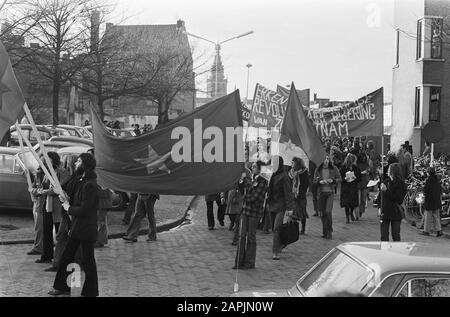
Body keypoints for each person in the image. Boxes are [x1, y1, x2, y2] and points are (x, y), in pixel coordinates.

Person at [49, 153, 100, 297]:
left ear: (85, 164)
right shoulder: (82, 180)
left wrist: (68, 208)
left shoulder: (90, 185)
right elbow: (76, 199)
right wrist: (65, 198)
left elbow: (85, 209)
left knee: (88, 262)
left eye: (79, 161)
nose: (76, 163)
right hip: (78, 228)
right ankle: (62, 287)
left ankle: (90, 292)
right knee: (67, 257)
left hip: (85, 229)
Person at [233, 161, 268, 269]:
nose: (252, 168)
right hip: (245, 211)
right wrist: (241, 180)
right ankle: (239, 262)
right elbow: (241, 188)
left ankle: (249, 262)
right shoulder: (251, 179)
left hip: (254, 212)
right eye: (252, 166)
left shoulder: (263, 181)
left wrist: (244, 198)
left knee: (251, 237)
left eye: (254, 167)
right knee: (241, 235)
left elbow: (255, 197)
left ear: (259, 169)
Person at [36, 152, 67, 264]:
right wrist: (39, 188)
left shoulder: (62, 171)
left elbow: (59, 187)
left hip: (57, 205)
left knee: (60, 232)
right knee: (46, 230)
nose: (45, 160)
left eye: (48, 158)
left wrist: (45, 192)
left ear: (53, 159)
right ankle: (47, 255)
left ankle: (60, 258)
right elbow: (38, 186)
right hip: (46, 204)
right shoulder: (43, 172)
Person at [267, 156, 294, 260]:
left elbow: (288, 193)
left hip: (281, 205)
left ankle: (275, 252)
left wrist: (290, 208)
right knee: (275, 229)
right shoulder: (272, 175)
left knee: (276, 228)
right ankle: (281, 244)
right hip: (272, 204)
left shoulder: (284, 176)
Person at [314, 153, 341, 240]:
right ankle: (325, 231)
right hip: (321, 193)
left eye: (327, 159)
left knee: (328, 212)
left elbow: (339, 178)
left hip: (330, 192)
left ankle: (329, 230)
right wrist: (319, 182)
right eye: (324, 159)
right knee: (322, 213)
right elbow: (314, 180)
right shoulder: (318, 169)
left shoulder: (334, 168)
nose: (326, 160)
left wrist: (332, 180)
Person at [379, 163, 407, 242]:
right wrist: (379, 207)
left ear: (392, 172)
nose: (387, 171)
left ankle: (396, 251)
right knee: (384, 235)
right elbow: (380, 197)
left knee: (395, 235)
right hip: (385, 211)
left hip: (395, 211)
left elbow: (398, 199)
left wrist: (386, 191)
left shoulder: (401, 184)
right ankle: (384, 251)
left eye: (389, 170)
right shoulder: (386, 182)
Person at [288, 157, 310, 234]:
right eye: (291, 162)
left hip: (301, 195)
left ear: (297, 164)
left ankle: (303, 228)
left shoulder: (304, 172)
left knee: (302, 212)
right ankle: (292, 229)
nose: (292, 164)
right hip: (292, 195)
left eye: (293, 163)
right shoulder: (291, 172)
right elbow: (289, 183)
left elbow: (306, 184)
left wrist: (300, 193)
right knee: (293, 212)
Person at [27, 168, 45, 255]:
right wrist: (35, 191)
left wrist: (36, 191)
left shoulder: (49, 174)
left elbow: (41, 190)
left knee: (41, 227)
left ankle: (39, 247)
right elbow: (33, 189)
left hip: (44, 204)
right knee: (38, 227)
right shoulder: (38, 174)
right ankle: (38, 246)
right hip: (38, 203)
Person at [340, 153, 361, 223]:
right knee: (346, 203)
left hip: (353, 186)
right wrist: (345, 178)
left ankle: (351, 213)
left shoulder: (356, 168)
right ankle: (347, 217)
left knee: (353, 202)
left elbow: (359, 178)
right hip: (346, 187)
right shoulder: (343, 167)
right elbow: (340, 177)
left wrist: (355, 177)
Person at [422, 167, 443, 237]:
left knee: (428, 216)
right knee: (436, 216)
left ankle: (426, 231)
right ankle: (439, 230)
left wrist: (424, 191)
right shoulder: (437, 180)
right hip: (437, 200)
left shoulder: (428, 180)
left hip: (429, 200)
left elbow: (425, 190)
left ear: (428, 173)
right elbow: (440, 190)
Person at [356, 149, 370, 219]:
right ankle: (357, 211)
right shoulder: (357, 164)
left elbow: (368, 170)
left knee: (363, 199)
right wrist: (361, 173)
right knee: (358, 199)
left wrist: (367, 171)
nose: (364, 158)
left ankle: (361, 211)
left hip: (364, 183)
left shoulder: (366, 164)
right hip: (358, 183)